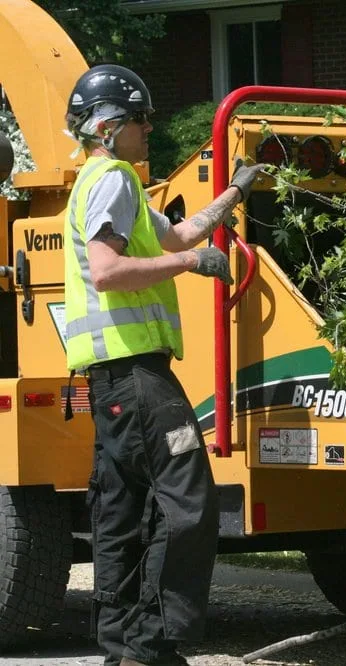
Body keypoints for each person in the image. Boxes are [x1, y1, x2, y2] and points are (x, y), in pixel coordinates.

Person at [62, 64, 266, 666]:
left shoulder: (101, 181)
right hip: (140, 381)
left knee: (121, 513)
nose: (149, 127)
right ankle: (153, 645)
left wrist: (232, 195)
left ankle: (124, 647)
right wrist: (194, 265)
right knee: (190, 502)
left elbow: (175, 236)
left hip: (115, 385)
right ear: (108, 127)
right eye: (140, 118)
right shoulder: (115, 180)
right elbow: (107, 270)